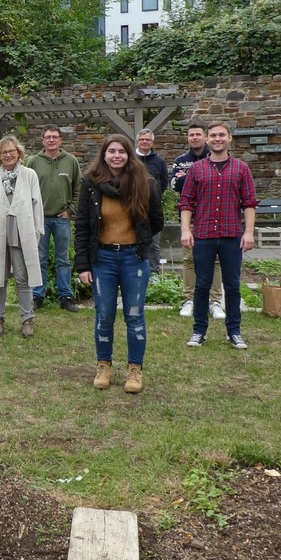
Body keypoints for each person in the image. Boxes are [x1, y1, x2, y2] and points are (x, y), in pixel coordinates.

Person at [75, 135, 163, 393]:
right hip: (102, 259)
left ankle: (135, 370)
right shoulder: (91, 184)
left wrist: (141, 241)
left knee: (134, 316)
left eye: (121, 152)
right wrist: (83, 265)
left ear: (129, 155)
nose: (116, 156)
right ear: (103, 155)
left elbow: (156, 219)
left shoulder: (145, 182)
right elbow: (82, 226)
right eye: (111, 151)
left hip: (133, 258)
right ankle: (103, 366)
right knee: (104, 316)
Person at [178, 121, 257, 349]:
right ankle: (199, 331)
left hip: (232, 235)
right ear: (207, 139)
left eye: (222, 135)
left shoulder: (241, 168)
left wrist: (249, 232)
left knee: (231, 285)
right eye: (213, 135)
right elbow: (186, 202)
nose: (217, 139)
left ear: (230, 138)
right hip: (203, 235)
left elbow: (249, 203)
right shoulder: (197, 169)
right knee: (202, 285)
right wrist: (185, 230)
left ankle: (234, 332)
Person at [0, 135, 44, 339]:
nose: (8, 155)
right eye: (4, 152)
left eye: (11, 151)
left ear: (19, 153)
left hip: (21, 232)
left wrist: (37, 230)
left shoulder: (29, 175)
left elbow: (37, 204)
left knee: (23, 278)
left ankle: (27, 319)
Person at [170, 120, 223, 320]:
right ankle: (189, 299)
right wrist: (195, 176)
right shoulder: (180, 160)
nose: (194, 138)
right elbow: (175, 184)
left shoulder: (218, 158)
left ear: (206, 137)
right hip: (190, 218)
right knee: (189, 260)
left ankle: (215, 301)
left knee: (216, 261)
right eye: (191, 135)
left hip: (214, 218)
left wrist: (190, 175)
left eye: (198, 134)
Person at [25, 125, 80, 312]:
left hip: (62, 219)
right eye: (47, 137)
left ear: (60, 139)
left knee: (63, 259)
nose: (51, 140)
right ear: (42, 140)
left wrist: (70, 210)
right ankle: (38, 295)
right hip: (39, 220)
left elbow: (78, 188)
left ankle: (65, 296)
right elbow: (25, 189)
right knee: (39, 258)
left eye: (54, 137)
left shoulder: (71, 161)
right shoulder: (33, 162)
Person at [135, 128, 169, 272]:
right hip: (133, 207)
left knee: (153, 243)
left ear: (152, 142)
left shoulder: (159, 161)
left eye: (147, 139)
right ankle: (135, 272)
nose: (144, 142)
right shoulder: (130, 159)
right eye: (142, 139)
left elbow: (164, 182)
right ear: (137, 141)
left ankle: (154, 275)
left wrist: (153, 199)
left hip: (152, 209)